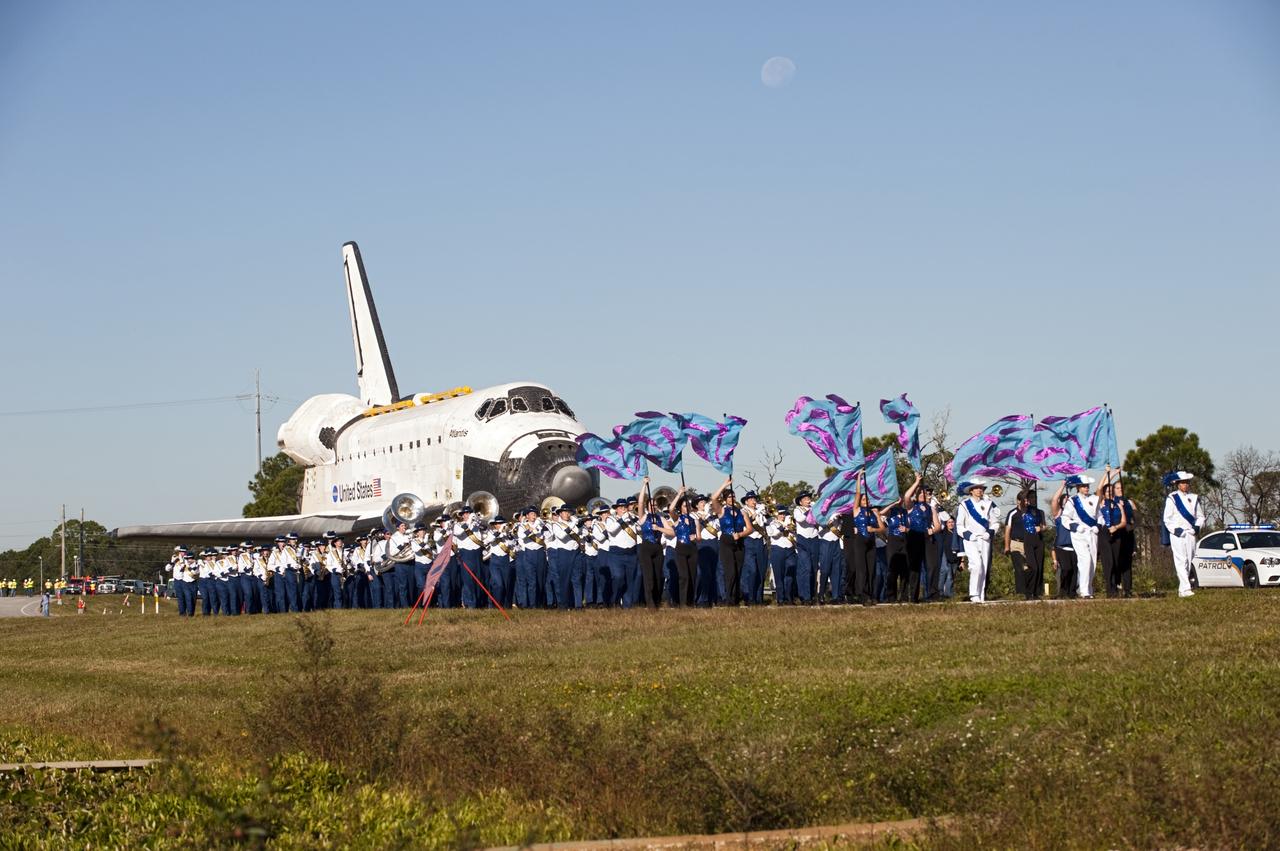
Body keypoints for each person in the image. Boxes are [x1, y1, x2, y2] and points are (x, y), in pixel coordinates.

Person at [840, 477, 885, 606]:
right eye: (864, 499)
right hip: (859, 541)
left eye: (867, 499)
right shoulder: (857, 510)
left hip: (871, 542)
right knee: (862, 569)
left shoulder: (873, 512)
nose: (866, 501)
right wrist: (859, 478)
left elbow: (882, 528)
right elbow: (858, 493)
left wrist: (874, 528)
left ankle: (871, 594)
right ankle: (863, 595)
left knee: (872, 569)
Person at [956, 480, 1001, 603]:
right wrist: (969, 536)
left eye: (981, 488)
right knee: (976, 565)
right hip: (971, 540)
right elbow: (959, 525)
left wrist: (989, 533)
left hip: (985, 539)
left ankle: (980, 595)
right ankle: (973, 593)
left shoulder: (988, 504)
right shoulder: (964, 505)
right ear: (971, 490)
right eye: (977, 488)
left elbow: (995, 523)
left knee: (984, 567)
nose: (980, 490)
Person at [711, 478, 753, 606]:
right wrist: (724, 485)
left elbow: (750, 529)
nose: (732, 498)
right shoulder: (722, 510)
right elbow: (713, 498)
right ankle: (728, 598)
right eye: (729, 497)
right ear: (725, 499)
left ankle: (735, 599)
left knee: (738, 571)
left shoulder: (742, 512)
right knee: (730, 572)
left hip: (739, 542)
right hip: (726, 542)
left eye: (733, 496)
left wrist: (741, 534)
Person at [1162, 470, 1204, 598]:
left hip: (1190, 534)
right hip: (1178, 534)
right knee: (1181, 560)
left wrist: (1196, 528)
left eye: (1187, 482)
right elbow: (1167, 518)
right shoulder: (1172, 498)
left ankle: (1182, 589)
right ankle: (1186, 588)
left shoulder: (1194, 497)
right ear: (1178, 484)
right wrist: (1178, 531)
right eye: (1183, 482)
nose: (1185, 485)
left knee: (1189, 560)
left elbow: (1201, 517)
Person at [635, 479, 674, 609]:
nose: (653, 507)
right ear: (647, 507)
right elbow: (640, 502)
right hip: (646, 547)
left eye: (655, 505)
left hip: (657, 548)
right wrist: (644, 485)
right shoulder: (643, 517)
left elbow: (672, 532)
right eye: (651, 505)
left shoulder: (661, 518)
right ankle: (650, 603)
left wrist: (659, 529)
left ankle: (657, 602)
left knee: (658, 576)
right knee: (649, 577)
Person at [1060, 475, 1099, 599]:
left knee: (1092, 562)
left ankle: (1089, 588)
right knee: (1085, 560)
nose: (1086, 488)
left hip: (1092, 533)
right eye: (1083, 486)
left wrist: (1098, 525)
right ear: (1078, 487)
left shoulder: (1094, 498)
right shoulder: (1072, 501)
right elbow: (1065, 518)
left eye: (1087, 486)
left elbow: (1100, 515)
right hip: (1079, 534)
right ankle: (1083, 590)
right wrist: (1075, 527)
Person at [1004, 490, 1047, 600]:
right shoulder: (1012, 513)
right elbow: (1007, 530)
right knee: (1022, 568)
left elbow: (1042, 526)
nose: (1027, 502)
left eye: (1028, 500)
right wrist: (1007, 546)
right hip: (1016, 544)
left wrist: (1040, 528)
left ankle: (1033, 591)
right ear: (1018, 501)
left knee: (1033, 568)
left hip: (1030, 544)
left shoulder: (1032, 512)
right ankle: (1023, 592)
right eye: (1025, 500)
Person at [1096, 468, 1130, 598]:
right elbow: (1099, 488)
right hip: (1104, 533)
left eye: (1111, 490)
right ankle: (1109, 589)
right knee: (1108, 561)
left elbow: (1124, 521)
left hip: (1117, 533)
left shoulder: (1118, 504)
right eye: (1107, 491)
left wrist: (1116, 527)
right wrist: (1109, 474)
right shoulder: (1101, 502)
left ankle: (1116, 585)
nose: (1109, 492)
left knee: (1116, 561)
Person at [602, 499, 637, 608]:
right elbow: (611, 530)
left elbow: (640, 529)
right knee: (618, 577)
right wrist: (622, 519)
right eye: (621, 508)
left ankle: (627, 605)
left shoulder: (632, 519)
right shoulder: (611, 519)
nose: (623, 510)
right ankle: (614, 600)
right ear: (616, 509)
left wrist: (634, 519)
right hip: (616, 553)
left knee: (629, 580)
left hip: (631, 552)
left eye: (625, 507)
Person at [668, 489, 700, 607]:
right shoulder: (677, 519)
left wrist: (695, 537)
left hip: (692, 549)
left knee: (692, 576)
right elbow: (671, 509)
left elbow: (699, 538)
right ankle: (682, 603)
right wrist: (679, 493)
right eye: (684, 506)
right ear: (681, 507)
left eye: (688, 506)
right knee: (684, 576)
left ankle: (691, 602)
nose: (687, 508)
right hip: (681, 548)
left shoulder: (694, 520)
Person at [454, 507, 487, 609]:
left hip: (477, 553)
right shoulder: (458, 525)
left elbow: (485, 528)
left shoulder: (475, 523)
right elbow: (458, 533)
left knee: (478, 578)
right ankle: (470, 603)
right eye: (464, 513)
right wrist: (469, 522)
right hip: (465, 553)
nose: (466, 515)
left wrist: (479, 521)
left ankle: (478, 602)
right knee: (468, 579)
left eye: (468, 513)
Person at [1050, 482, 1077, 599]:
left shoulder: (1075, 514)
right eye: (1065, 499)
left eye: (1069, 499)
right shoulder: (1059, 514)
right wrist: (1062, 486)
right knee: (1066, 569)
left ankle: (1072, 593)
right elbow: (1054, 500)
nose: (1067, 501)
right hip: (1062, 546)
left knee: (1075, 570)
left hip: (1075, 545)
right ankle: (1063, 590)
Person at [693, 494, 721, 605]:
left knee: (714, 572)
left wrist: (710, 514)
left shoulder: (713, 516)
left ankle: (712, 598)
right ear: (696, 505)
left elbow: (717, 529)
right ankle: (700, 599)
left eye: (704, 502)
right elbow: (696, 528)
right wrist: (702, 518)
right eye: (701, 502)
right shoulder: (694, 515)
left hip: (714, 543)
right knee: (703, 572)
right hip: (702, 544)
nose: (703, 504)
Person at [792, 492, 820, 604]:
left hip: (814, 538)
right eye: (806, 499)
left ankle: (812, 595)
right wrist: (811, 509)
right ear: (801, 501)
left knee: (813, 568)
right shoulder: (797, 510)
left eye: (809, 498)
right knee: (806, 568)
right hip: (803, 540)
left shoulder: (814, 508)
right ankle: (805, 596)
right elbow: (800, 520)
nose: (808, 500)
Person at [741, 491, 768, 604]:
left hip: (760, 541)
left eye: (754, 499)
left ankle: (759, 598)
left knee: (761, 571)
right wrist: (757, 511)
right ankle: (750, 597)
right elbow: (748, 521)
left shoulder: (760, 511)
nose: (754, 501)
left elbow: (764, 523)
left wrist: (763, 512)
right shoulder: (743, 511)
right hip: (749, 541)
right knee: (751, 570)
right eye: (751, 499)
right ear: (746, 501)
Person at [766, 505, 797, 604]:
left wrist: (792, 528)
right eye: (780, 514)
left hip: (790, 549)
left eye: (783, 514)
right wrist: (782, 527)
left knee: (790, 575)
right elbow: (772, 534)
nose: (782, 516)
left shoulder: (789, 521)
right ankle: (780, 599)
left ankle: (789, 598)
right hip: (777, 550)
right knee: (779, 575)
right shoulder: (771, 522)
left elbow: (794, 536)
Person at [817, 515, 844, 604]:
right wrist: (832, 517)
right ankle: (821, 594)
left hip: (836, 542)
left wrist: (841, 517)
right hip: (825, 541)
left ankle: (835, 596)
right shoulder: (822, 511)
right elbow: (820, 523)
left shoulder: (838, 510)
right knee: (825, 570)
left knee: (836, 570)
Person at [938, 513, 963, 599]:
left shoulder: (958, 534)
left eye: (952, 522)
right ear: (946, 524)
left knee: (952, 577)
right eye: (949, 522)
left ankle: (948, 593)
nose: (951, 524)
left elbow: (961, 548)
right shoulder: (943, 533)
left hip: (956, 558)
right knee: (948, 575)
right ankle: (942, 593)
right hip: (946, 558)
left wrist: (962, 561)